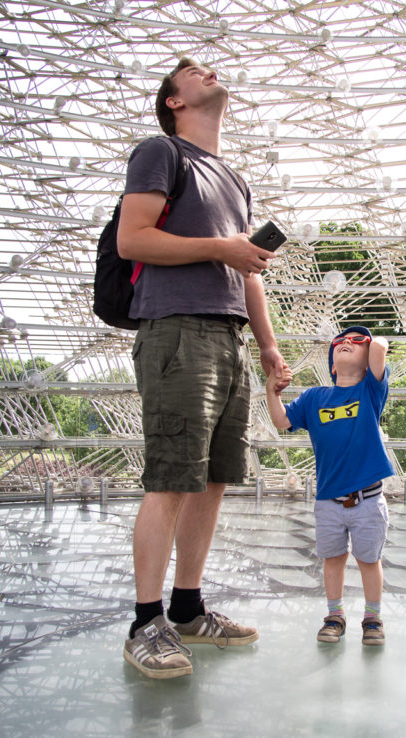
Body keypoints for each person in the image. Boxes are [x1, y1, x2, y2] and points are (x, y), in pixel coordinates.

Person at [116, 57, 287, 679]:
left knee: (213, 478)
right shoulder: (160, 153)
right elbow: (132, 240)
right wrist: (221, 247)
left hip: (229, 338)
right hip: (177, 330)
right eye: (193, 72)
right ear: (174, 102)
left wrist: (267, 347)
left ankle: (188, 609)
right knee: (170, 477)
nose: (210, 71)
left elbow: (247, 271)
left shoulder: (234, 180)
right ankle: (145, 622)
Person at [266, 326, 394, 646]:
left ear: (367, 364)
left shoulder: (370, 391)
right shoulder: (313, 398)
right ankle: (335, 615)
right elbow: (282, 421)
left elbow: (379, 348)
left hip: (367, 498)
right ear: (332, 366)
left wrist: (373, 342)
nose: (346, 343)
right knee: (333, 559)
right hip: (328, 500)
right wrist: (273, 391)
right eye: (339, 343)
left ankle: (372, 617)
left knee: (368, 560)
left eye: (355, 341)